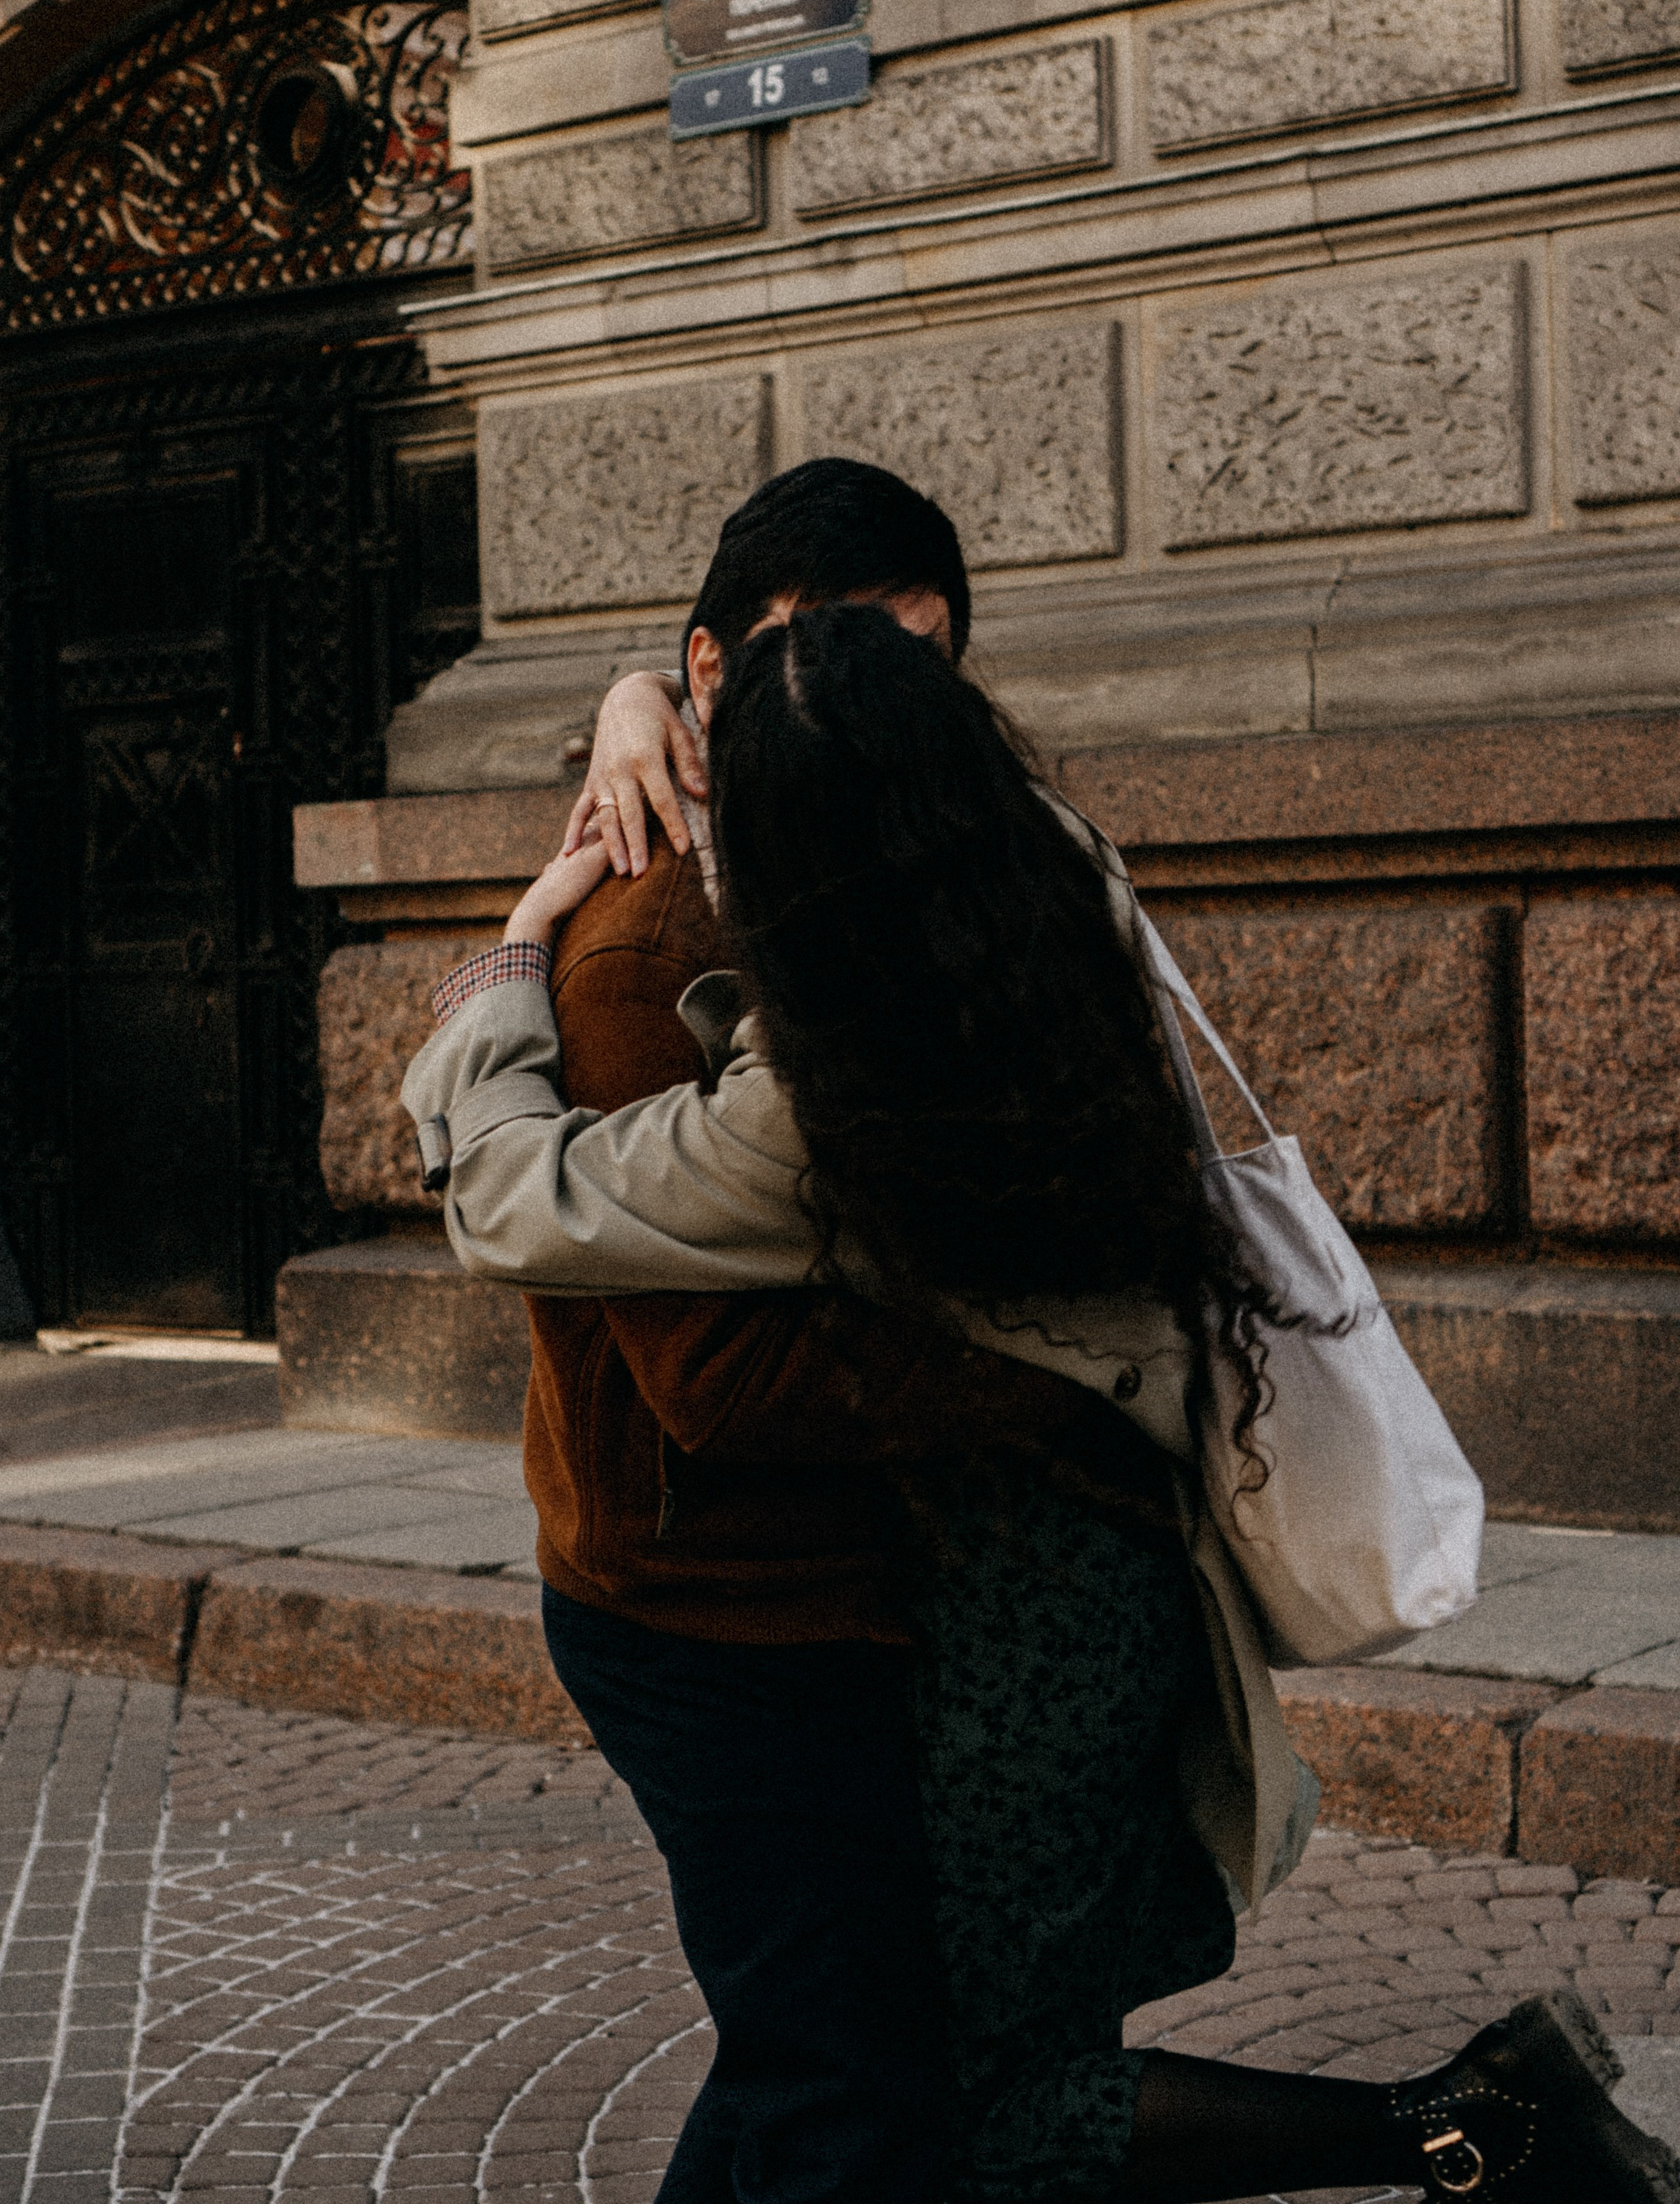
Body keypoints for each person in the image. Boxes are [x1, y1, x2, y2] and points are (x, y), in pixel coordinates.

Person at [406, 591, 1680, 2204]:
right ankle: (1487, 2125)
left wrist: (509, 952)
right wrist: (624, 699)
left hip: (1011, 1621)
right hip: (1107, 1567)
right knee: (828, 2037)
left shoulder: (809, 1094)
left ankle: (1480, 2131)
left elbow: (513, 1200)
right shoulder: (1049, 915)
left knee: (972, 2098)